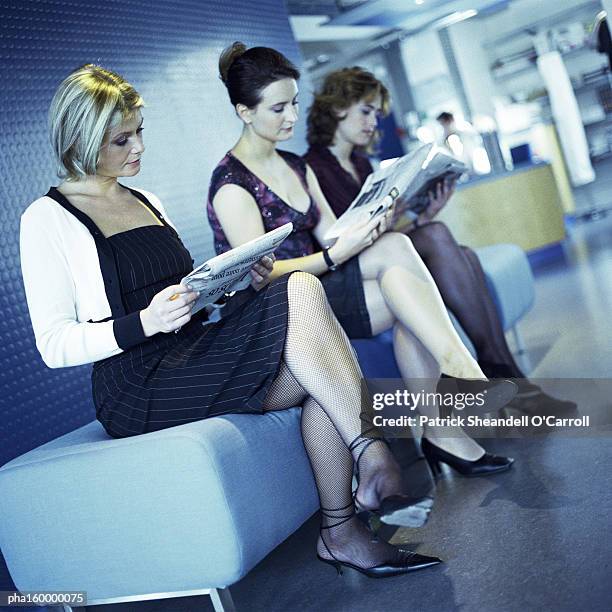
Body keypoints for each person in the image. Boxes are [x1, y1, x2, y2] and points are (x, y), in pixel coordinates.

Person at [20, 64, 443, 578]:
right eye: (121, 139)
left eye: (139, 133)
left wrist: (230, 281)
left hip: (192, 351)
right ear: (82, 140)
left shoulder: (145, 200)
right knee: (317, 356)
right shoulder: (47, 218)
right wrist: (146, 322)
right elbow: (53, 343)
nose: (138, 148)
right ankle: (368, 458)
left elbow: (185, 298)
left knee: (301, 297)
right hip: (136, 385)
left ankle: (343, 526)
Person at [207, 42, 517, 481]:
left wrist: (373, 220)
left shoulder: (295, 165)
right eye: (278, 108)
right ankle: (457, 382)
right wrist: (338, 253)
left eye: (294, 103)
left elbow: (333, 231)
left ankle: (447, 414)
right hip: (281, 312)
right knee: (399, 269)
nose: (291, 117)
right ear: (244, 111)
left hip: (322, 285)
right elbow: (265, 278)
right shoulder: (232, 184)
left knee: (401, 281)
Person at [305, 67, 576, 417]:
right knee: (436, 237)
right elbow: (345, 243)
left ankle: (504, 375)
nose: (373, 122)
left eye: (376, 114)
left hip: (381, 257)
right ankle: (504, 375)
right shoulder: (314, 167)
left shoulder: (360, 162)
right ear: (338, 108)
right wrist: (410, 226)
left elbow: (385, 238)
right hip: (350, 274)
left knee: (463, 254)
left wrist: (420, 216)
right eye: (366, 111)